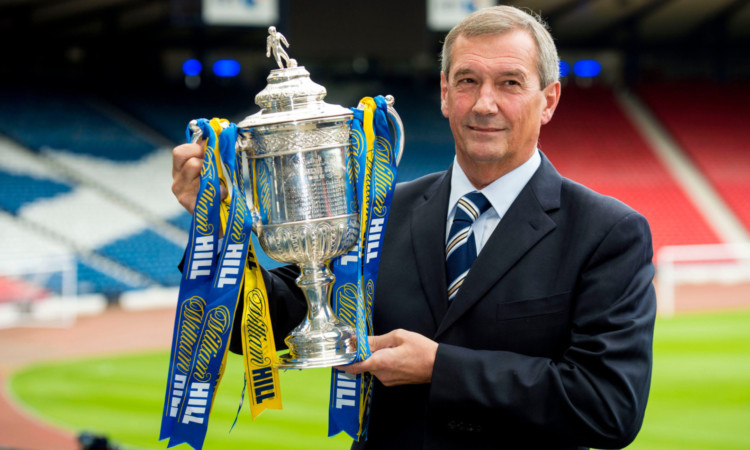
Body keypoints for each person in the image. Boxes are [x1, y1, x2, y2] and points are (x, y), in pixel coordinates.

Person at [171, 6, 656, 450]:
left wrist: (440, 368)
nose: (485, 103)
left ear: (548, 100)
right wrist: (214, 230)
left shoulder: (607, 233)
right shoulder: (379, 213)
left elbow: (609, 406)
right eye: (467, 81)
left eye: (510, 83)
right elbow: (261, 325)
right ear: (445, 94)